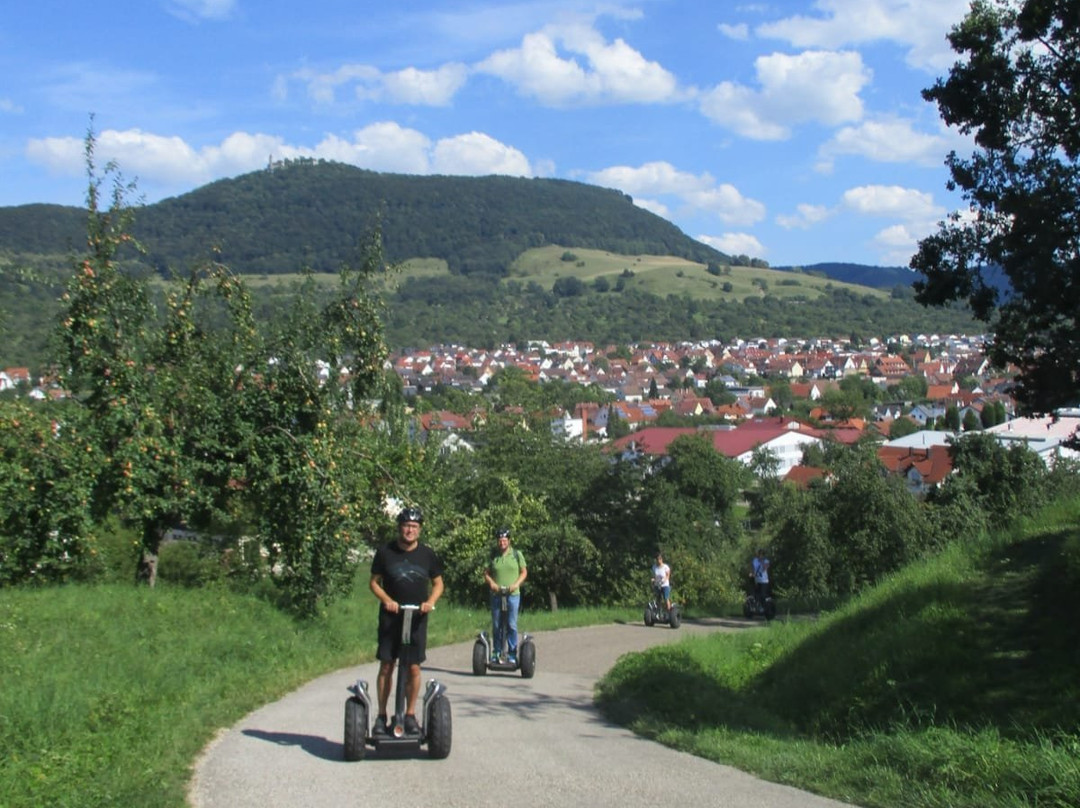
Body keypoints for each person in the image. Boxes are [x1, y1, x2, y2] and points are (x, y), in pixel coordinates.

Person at [369, 506, 444, 736]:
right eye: (406, 526)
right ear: (399, 527)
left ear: (419, 530)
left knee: (413, 667)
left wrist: (430, 602)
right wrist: (387, 600)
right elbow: (373, 582)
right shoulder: (385, 552)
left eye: (414, 527)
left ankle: (409, 715)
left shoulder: (427, 554)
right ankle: (382, 716)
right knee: (387, 665)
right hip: (391, 618)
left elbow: (438, 583)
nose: (409, 530)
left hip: (416, 618)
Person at [483, 526, 527, 664]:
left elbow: (524, 572)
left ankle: (512, 653)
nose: (502, 543)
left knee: (511, 624)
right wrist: (492, 584)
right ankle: (497, 651)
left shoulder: (516, 554)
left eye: (504, 540)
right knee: (497, 624)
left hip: (513, 594)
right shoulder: (493, 556)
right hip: (497, 594)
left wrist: (516, 584)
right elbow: (486, 573)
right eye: (500, 540)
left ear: (509, 541)